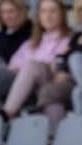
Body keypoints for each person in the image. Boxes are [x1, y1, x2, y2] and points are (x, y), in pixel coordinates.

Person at [0, 0, 72, 116]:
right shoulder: (31, 42)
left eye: (53, 11)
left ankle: (7, 113)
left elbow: (59, 68)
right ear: (39, 16)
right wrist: (21, 71)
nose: (48, 16)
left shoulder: (69, 40)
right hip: (21, 83)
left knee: (31, 65)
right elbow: (13, 65)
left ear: (62, 14)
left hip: (45, 84)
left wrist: (28, 68)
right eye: (43, 11)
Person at [34, 0, 82, 129]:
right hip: (72, 81)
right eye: (80, 11)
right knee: (55, 99)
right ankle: (58, 138)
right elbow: (62, 56)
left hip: (73, 81)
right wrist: (61, 70)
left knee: (75, 58)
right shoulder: (76, 36)